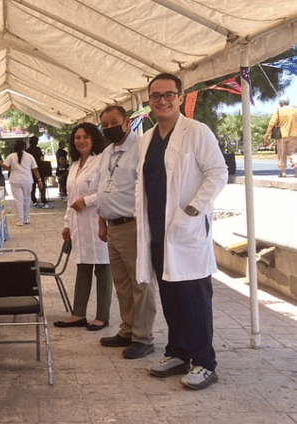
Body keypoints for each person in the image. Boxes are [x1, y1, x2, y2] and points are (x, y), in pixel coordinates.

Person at [138, 73, 227, 390]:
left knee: (195, 299)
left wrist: (193, 209)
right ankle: (177, 353)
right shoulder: (147, 138)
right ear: (149, 101)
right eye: (155, 96)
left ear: (180, 96)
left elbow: (218, 173)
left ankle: (205, 362)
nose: (161, 101)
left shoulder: (196, 131)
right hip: (158, 234)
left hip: (185, 233)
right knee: (171, 297)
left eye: (168, 95)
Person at [96, 105, 158, 359]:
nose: (109, 128)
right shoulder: (107, 152)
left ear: (127, 121)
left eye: (114, 123)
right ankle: (128, 328)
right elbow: (103, 188)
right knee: (121, 283)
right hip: (112, 227)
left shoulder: (141, 148)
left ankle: (143, 337)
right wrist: (102, 223)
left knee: (140, 283)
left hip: (133, 225)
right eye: (105, 125)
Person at [54, 123, 111, 331]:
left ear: (94, 139)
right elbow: (71, 198)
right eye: (77, 137)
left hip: (97, 221)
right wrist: (67, 224)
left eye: (86, 137)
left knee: (103, 268)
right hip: (79, 224)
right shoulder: (75, 165)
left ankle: (102, 316)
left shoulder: (101, 162)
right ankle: (78, 314)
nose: (81, 141)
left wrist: (86, 201)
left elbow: (107, 191)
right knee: (83, 266)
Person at [3, 139, 44, 226]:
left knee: (18, 200)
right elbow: (35, 169)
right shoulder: (29, 156)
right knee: (27, 199)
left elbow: (5, 166)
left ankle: (19, 220)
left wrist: (12, 168)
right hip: (28, 180)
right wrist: (39, 180)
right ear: (24, 147)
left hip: (15, 180)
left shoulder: (11, 156)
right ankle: (27, 218)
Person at [264, 96, 297, 177]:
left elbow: (272, 124)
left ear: (281, 103)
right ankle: (295, 164)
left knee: (281, 154)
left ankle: (283, 172)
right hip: (294, 135)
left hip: (281, 135)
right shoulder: (295, 110)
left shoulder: (278, 111)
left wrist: (266, 135)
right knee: (292, 152)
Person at [27, 136, 51, 208]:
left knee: (33, 187)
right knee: (42, 186)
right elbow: (42, 158)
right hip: (40, 170)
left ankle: (34, 201)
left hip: (30, 171)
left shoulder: (27, 150)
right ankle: (44, 201)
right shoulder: (38, 149)